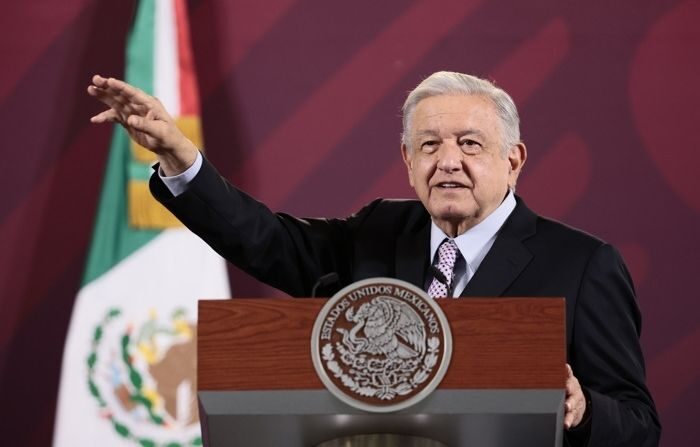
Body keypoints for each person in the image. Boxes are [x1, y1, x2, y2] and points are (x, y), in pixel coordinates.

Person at [88, 71, 660, 446]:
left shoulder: (585, 264)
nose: (449, 161)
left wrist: (583, 410)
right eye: (429, 145)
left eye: (470, 143)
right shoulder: (379, 230)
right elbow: (267, 241)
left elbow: (639, 426)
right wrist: (182, 159)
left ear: (513, 160)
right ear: (408, 163)